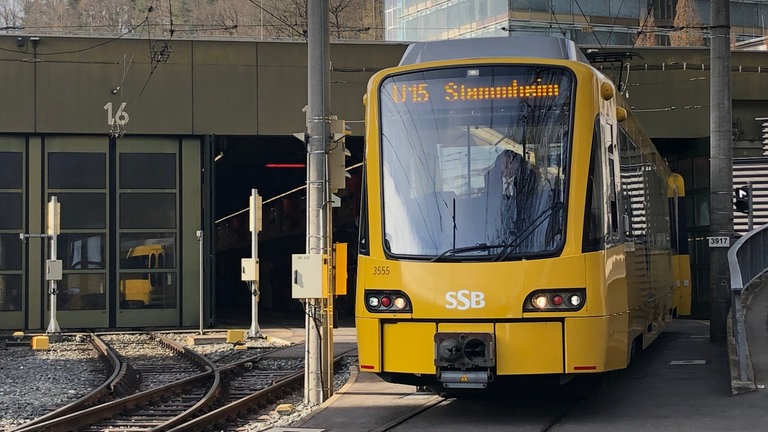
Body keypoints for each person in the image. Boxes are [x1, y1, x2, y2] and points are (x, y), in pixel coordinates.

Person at [485, 150, 538, 244]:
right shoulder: (491, 184)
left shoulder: (526, 184)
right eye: (503, 163)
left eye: (510, 163)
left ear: (518, 166)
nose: (506, 167)